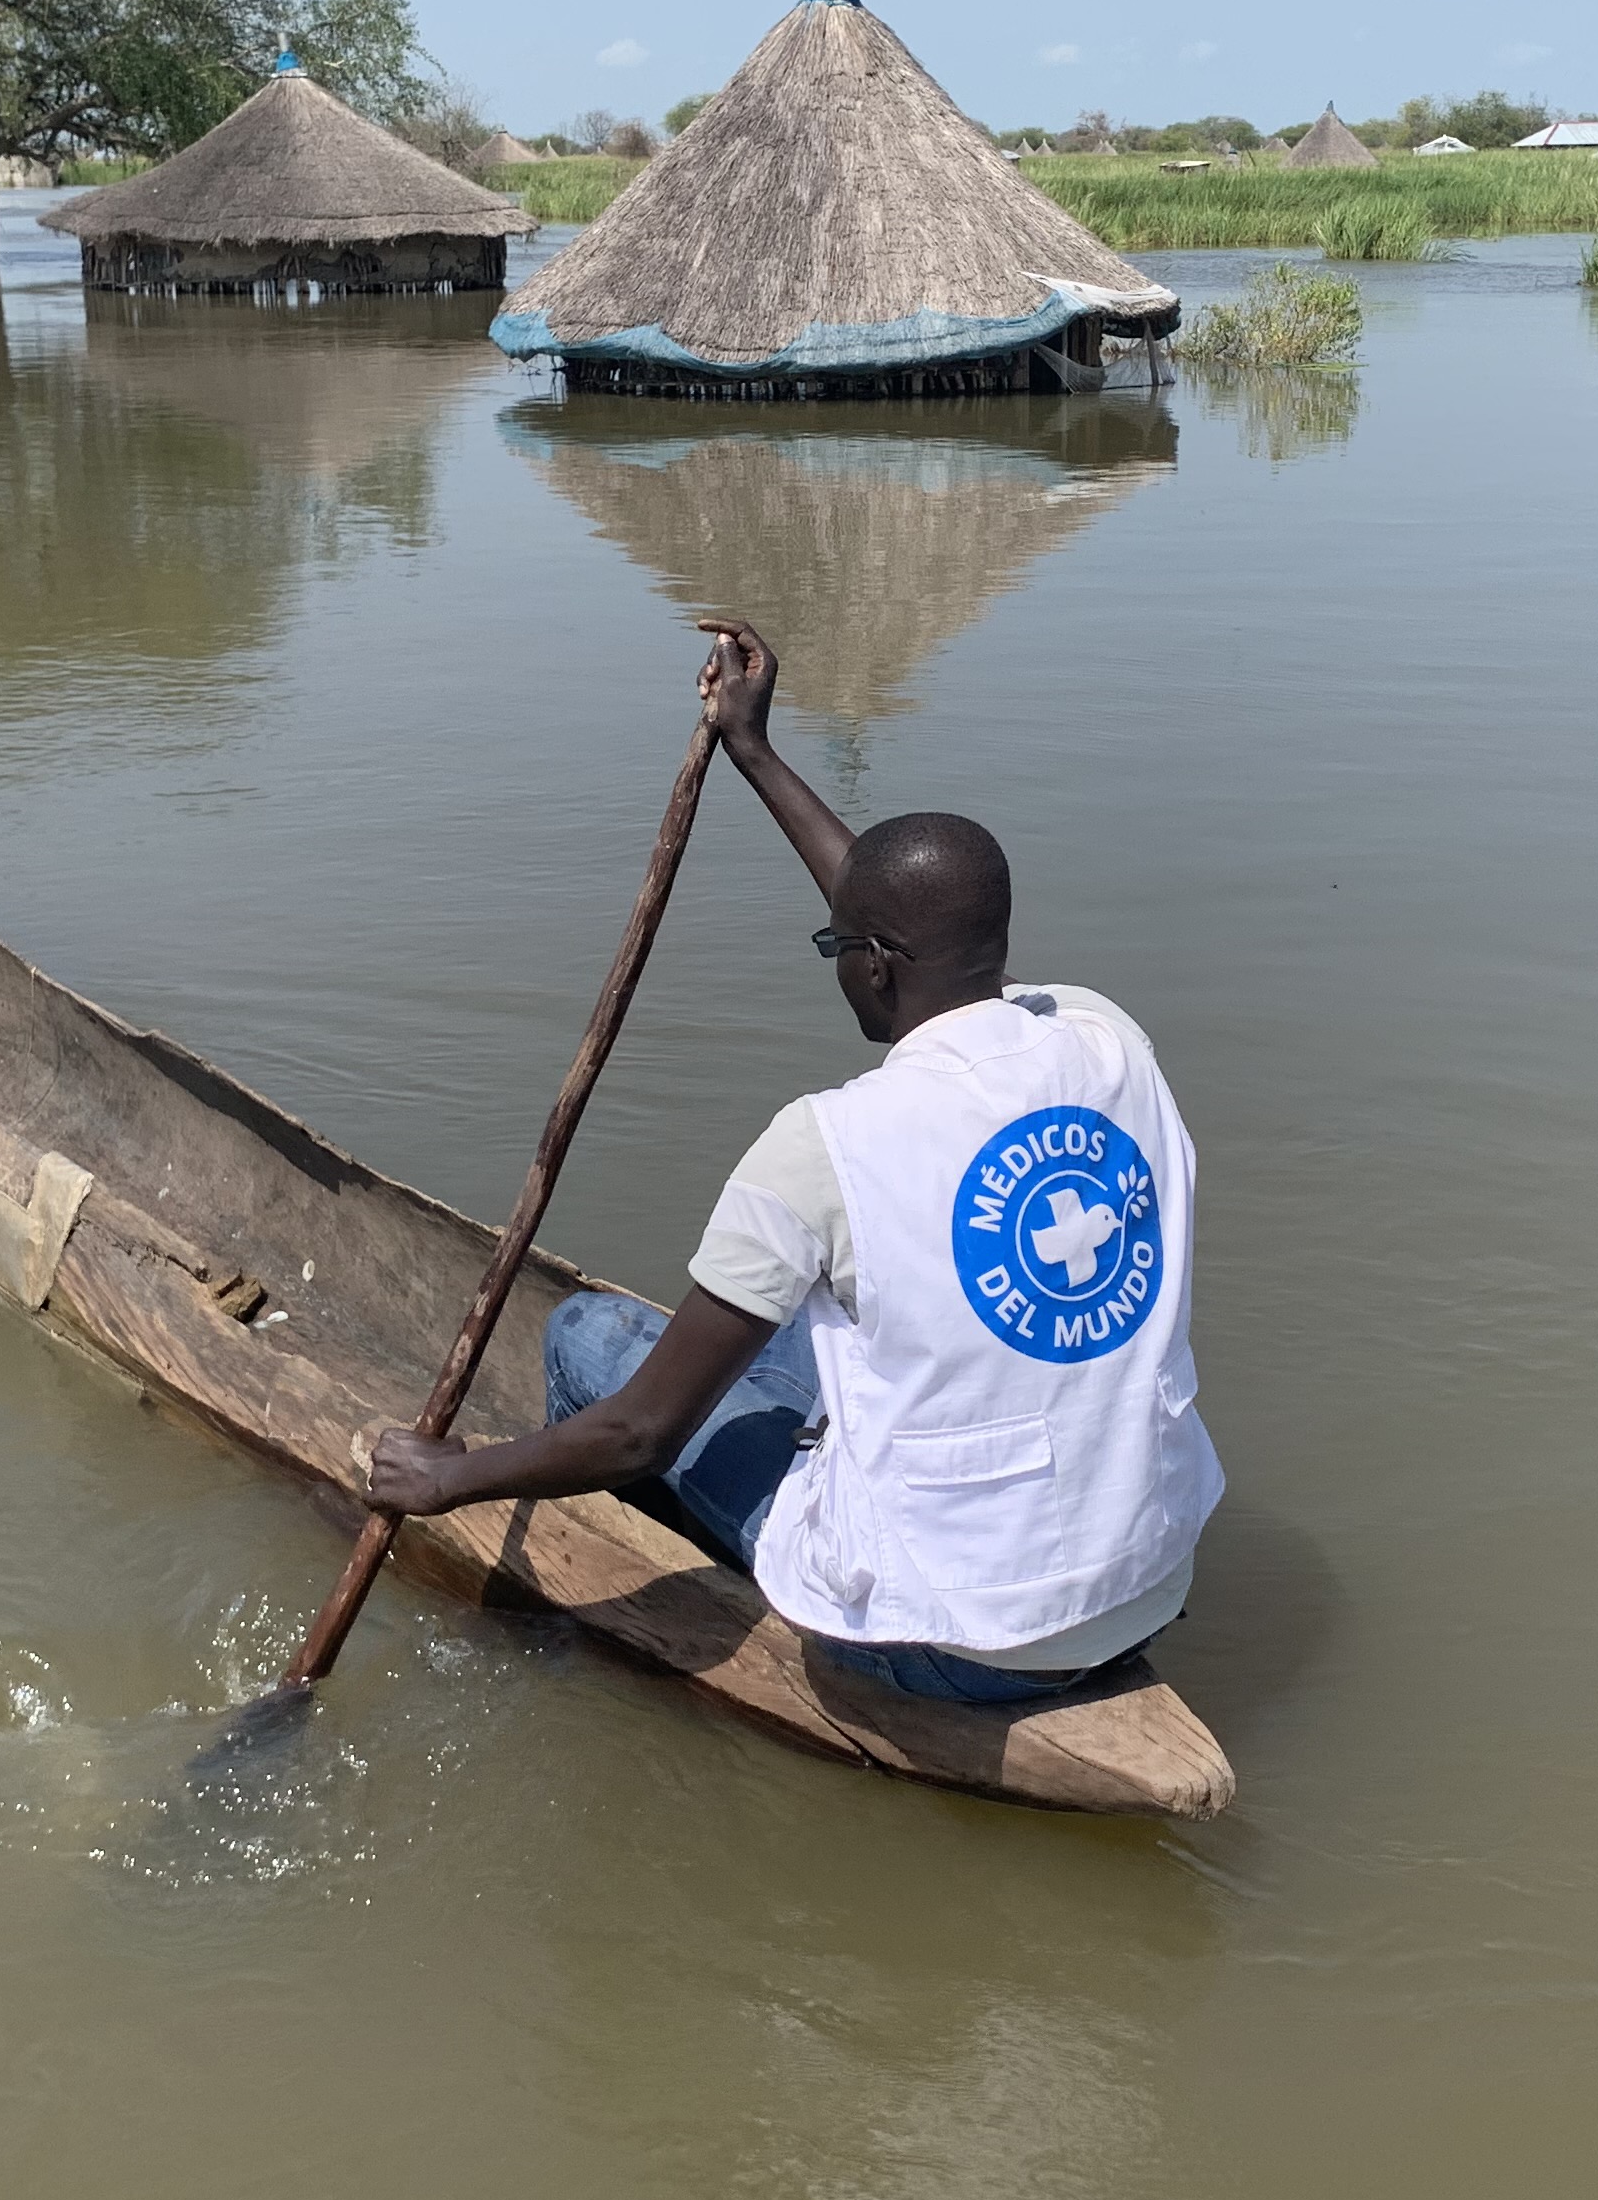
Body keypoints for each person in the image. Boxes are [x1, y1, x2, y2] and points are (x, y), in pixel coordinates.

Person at [363, 620, 1221, 1704]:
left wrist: (447, 1479)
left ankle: (602, 1621)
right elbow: (906, 925)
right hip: (1149, 1571)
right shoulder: (1107, 1042)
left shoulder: (823, 1145)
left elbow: (639, 1431)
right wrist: (754, 753)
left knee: (594, 1341)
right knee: (816, 1355)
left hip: (947, 1642)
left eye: (841, 951)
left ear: (869, 969)